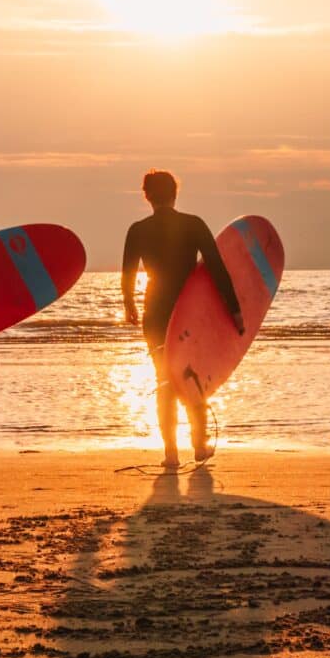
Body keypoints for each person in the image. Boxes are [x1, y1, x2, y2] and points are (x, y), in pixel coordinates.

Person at [122, 168, 243, 468]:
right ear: (175, 193)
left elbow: (127, 275)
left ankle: (171, 453)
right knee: (193, 377)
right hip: (189, 312)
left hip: (156, 313)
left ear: (147, 196)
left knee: (164, 380)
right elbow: (216, 268)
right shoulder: (193, 224)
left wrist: (129, 305)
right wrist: (235, 310)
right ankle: (199, 446)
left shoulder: (137, 230)